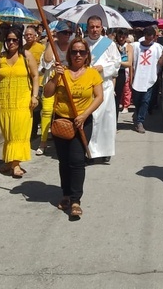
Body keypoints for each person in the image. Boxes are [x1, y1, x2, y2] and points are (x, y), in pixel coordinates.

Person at [43, 38, 103, 220]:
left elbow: (99, 97)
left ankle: (76, 200)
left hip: (82, 123)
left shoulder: (92, 73)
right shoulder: (62, 72)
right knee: (64, 161)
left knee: (77, 161)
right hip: (62, 122)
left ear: (87, 55)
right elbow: (47, 93)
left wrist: (84, 115)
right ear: (69, 54)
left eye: (82, 52)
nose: (78, 55)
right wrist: (55, 76)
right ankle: (66, 194)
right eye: (74, 51)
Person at [0, 24, 39, 178]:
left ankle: (16, 164)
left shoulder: (26, 55)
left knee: (19, 132)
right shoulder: (1, 56)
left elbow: (35, 76)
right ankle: (9, 161)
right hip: (3, 100)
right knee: (8, 132)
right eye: (8, 40)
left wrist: (35, 96)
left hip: (22, 99)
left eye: (14, 40)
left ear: (19, 41)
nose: (11, 43)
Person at [84, 16, 121, 162]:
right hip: (88, 87)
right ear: (87, 27)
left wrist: (103, 68)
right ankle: (90, 152)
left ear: (101, 28)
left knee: (106, 120)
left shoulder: (109, 44)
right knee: (91, 119)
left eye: (97, 27)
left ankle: (105, 151)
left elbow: (117, 63)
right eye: (91, 27)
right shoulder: (83, 43)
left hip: (104, 86)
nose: (94, 30)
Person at [38, 22, 73, 155]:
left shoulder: (71, 47)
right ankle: (43, 141)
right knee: (47, 110)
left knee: (63, 112)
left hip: (66, 83)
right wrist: (51, 41)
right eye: (64, 32)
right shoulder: (52, 45)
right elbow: (47, 60)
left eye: (69, 33)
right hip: (51, 81)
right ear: (57, 34)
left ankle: (62, 137)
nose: (67, 35)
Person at [131, 26, 163, 133]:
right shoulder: (136, 46)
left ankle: (140, 122)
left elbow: (160, 63)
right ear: (144, 36)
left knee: (145, 100)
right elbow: (130, 60)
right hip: (137, 77)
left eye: (151, 39)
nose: (148, 41)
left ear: (154, 37)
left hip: (149, 77)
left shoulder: (157, 47)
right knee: (137, 101)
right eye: (147, 38)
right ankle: (138, 117)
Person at [23, 25, 46, 140]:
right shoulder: (23, 50)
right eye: (26, 35)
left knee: (41, 107)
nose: (29, 37)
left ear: (35, 36)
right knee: (33, 108)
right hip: (28, 82)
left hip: (40, 81)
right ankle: (32, 131)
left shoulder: (41, 48)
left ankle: (44, 130)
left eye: (31, 35)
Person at [114, 28, 133, 116]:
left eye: (123, 37)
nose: (121, 38)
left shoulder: (129, 47)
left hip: (121, 73)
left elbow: (129, 63)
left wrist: (118, 62)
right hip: (112, 72)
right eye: (119, 36)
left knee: (117, 97)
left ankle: (115, 121)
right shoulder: (113, 45)